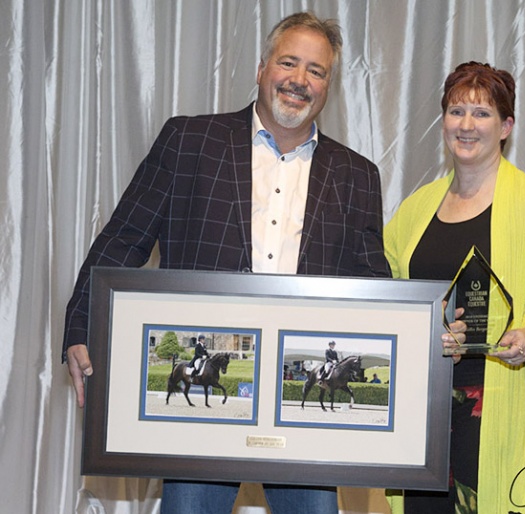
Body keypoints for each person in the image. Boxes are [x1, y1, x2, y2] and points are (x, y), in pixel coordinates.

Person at [62, 11, 390, 514]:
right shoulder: (189, 142)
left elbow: (371, 284)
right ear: (261, 68)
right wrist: (81, 323)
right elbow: (125, 236)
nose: (300, 80)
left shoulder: (358, 175)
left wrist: (414, 341)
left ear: (329, 85)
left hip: (298, 413)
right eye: (289, 62)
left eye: (317, 70)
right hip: (206, 419)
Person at [384, 62, 525, 513]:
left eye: (481, 114)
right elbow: (385, 288)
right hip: (423, 408)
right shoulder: (416, 207)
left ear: (506, 126)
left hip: (493, 405)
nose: (466, 125)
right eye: (456, 111)